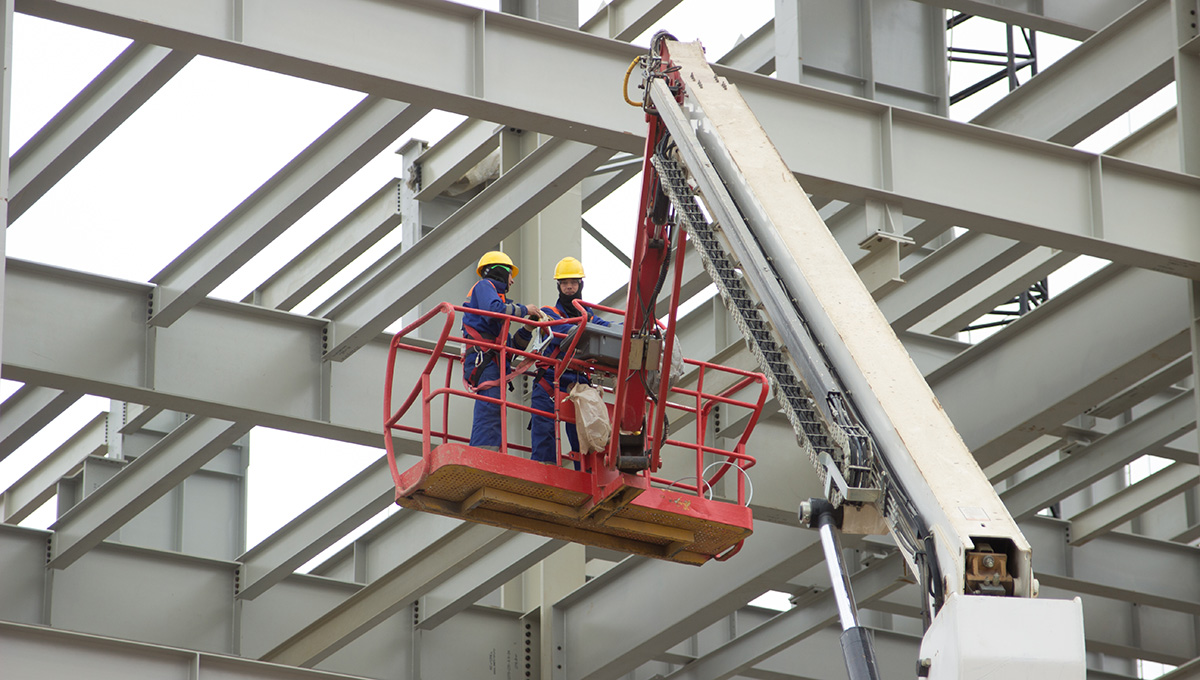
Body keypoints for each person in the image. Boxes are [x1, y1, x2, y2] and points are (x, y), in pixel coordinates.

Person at [529, 257, 614, 467]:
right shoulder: (549, 313)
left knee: (584, 435)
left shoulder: (590, 318)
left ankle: (586, 477)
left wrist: (632, 330)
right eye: (565, 283)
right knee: (544, 433)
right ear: (559, 286)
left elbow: (609, 328)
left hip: (578, 383)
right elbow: (562, 330)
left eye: (573, 283)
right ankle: (543, 473)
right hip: (550, 379)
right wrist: (588, 330)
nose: (569, 287)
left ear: (580, 285)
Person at [462, 251, 543, 450]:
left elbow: (510, 349)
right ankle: (482, 456)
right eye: (510, 275)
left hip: (493, 360)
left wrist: (528, 328)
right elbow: (494, 310)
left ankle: (489, 453)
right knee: (490, 408)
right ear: (500, 272)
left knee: (496, 410)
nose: (512, 281)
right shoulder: (484, 287)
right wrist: (525, 310)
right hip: (485, 360)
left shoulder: (496, 306)